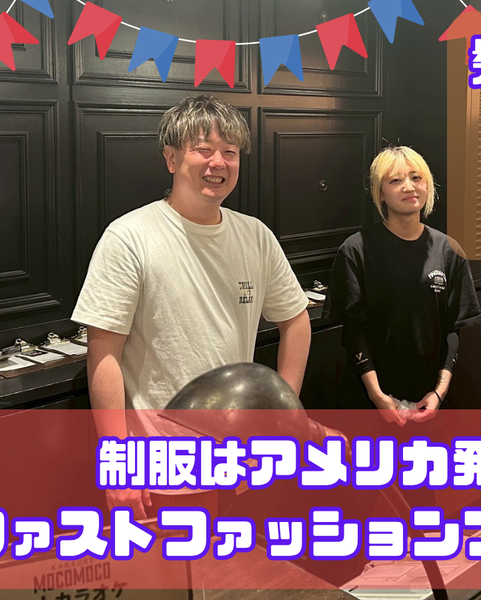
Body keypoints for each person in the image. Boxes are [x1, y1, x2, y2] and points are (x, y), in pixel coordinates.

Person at [72, 95, 311, 518]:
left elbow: (296, 320)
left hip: (243, 462)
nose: (218, 162)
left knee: (243, 558)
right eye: (203, 149)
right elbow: (103, 353)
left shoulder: (255, 236)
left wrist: (281, 416)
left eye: (230, 152)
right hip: (161, 467)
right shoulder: (129, 237)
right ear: (171, 157)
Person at [323, 146, 481, 426]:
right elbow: (353, 331)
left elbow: (452, 330)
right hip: (367, 401)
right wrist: (377, 395)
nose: (409, 187)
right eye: (396, 180)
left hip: (429, 402)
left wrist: (439, 392)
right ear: (380, 193)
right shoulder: (356, 250)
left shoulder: (449, 250)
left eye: (416, 178)